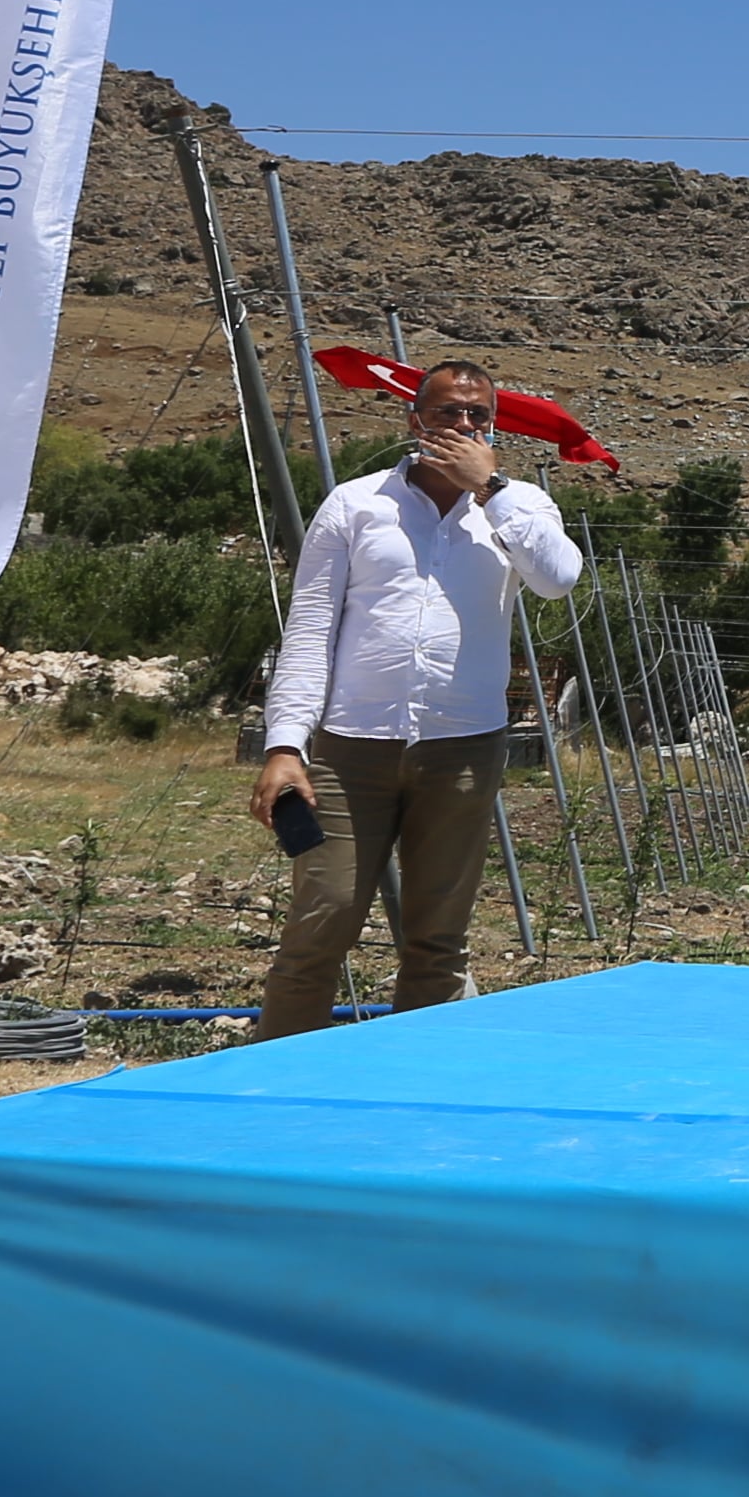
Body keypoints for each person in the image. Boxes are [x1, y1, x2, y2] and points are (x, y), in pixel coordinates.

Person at [252, 358, 585, 1036]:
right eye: (446, 413)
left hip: (462, 749)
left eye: (476, 415)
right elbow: (310, 629)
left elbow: (557, 579)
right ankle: (275, 1082)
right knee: (321, 921)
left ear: (492, 427)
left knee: (439, 939)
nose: (462, 425)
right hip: (350, 750)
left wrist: (489, 487)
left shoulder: (521, 506)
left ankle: (415, 1085)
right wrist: (284, 745)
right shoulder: (356, 504)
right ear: (415, 422)